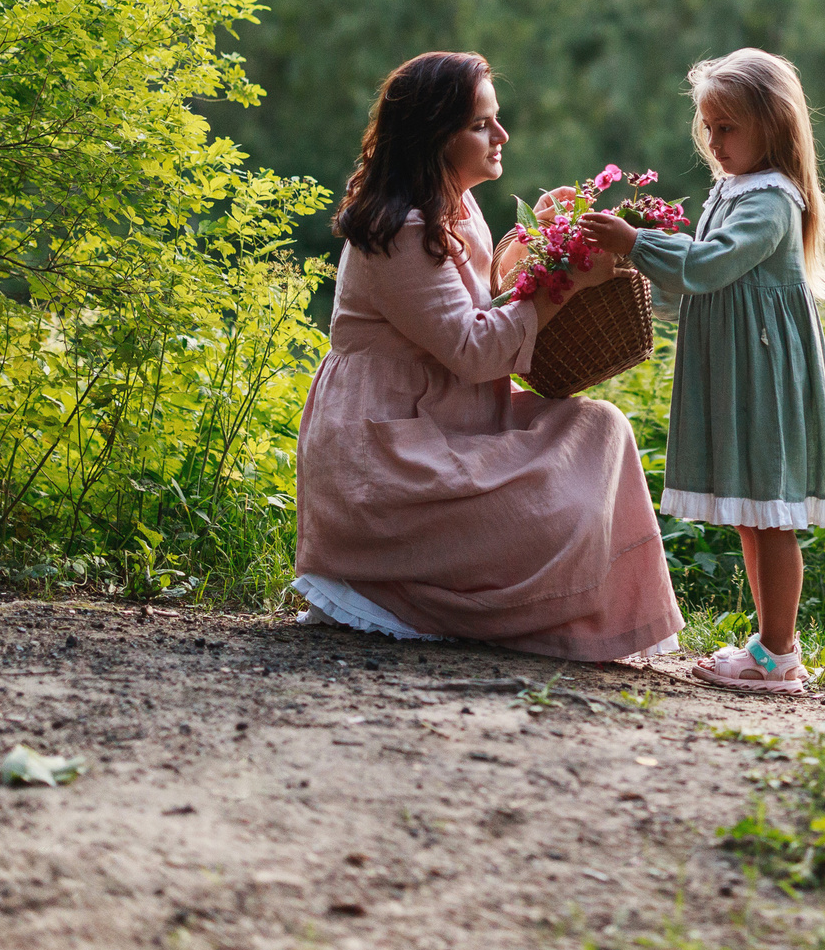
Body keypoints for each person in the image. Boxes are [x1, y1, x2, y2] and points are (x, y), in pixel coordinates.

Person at [291, 52, 683, 662]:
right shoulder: (400, 229)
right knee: (550, 510)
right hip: (389, 452)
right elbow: (475, 349)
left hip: (450, 418)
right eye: (480, 125)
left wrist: (538, 244)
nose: (501, 135)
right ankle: (399, 586)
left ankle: (581, 612)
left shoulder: (457, 204)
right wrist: (566, 281)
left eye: (494, 120)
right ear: (434, 136)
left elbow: (479, 299)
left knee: (601, 428)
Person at [579, 48, 825, 692]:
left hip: (764, 372)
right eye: (708, 127)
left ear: (774, 126)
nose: (714, 141)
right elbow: (699, 281)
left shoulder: (773, 201)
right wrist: (630, 265)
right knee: (751, 508)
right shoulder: (733, 189)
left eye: (727, 127)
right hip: (739, 366)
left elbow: (707, 266)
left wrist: (636, 243)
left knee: (773, 511)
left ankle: (779, 652)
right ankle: (768, 644)